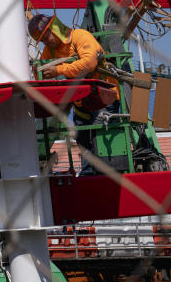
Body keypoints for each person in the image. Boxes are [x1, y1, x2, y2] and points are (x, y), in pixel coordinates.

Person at [28, 14, 122, 174]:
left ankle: (104, 174)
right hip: (82, 101)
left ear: (55, 28)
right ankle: (87, 174)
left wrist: (58, 69)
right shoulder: (50, 50)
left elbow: (88, 63)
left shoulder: (81, 36)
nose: (46, 41)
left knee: (97, 133)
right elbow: (40, 73)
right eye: (42, 40)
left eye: (47, 36)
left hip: (105, 96)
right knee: (82, 137)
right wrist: (39, 72)